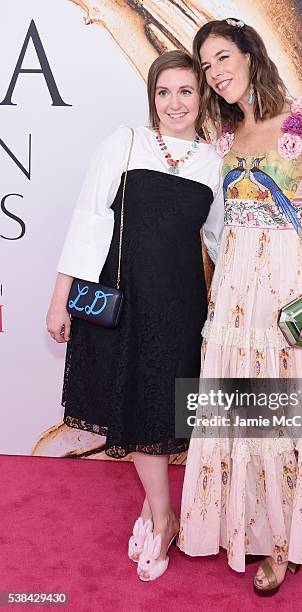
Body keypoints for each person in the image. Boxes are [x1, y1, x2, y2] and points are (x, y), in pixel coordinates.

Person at [178, 19, 302, 596]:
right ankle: (243, 521)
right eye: (206, 66)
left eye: (223, 57)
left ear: (252, 55)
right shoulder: (223, 137)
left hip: (288, 286)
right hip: (235, 292)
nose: (215, 72)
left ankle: (283, 538)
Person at [46, 50, 224, 582]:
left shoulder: (215, 161)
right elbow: (88, 220)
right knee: (134, 405)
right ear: (152, 97)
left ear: (203, 97)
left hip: (179, 304)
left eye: (186, 92)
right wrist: (61, 297)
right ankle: (165, 514)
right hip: (123, 300)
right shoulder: (125, 142)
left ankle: (155, 509)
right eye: (164, 92)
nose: (175, 103)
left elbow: (220, 240)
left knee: (160, 410)